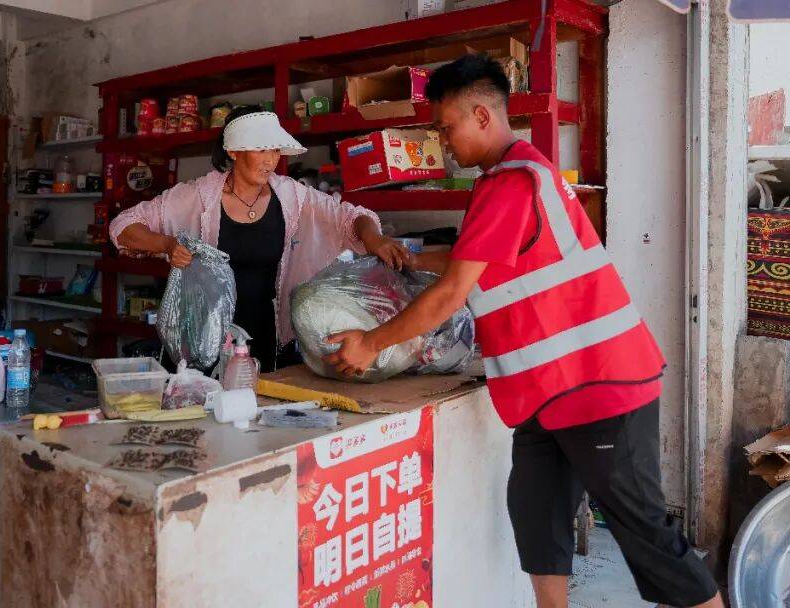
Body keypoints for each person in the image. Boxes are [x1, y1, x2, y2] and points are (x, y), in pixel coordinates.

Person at [324, 55, 722, 608]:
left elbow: (453, 293)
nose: (443, 143)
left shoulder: (513, 184)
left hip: (599, 387)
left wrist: (370, 343)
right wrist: (407, 257)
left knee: (648, 535)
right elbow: (478, 262)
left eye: (446, 128)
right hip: (545, 394)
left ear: (482, 116)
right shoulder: (509, 178)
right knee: (538, 519)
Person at [109, 106, 408, 372]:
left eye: (275, 151)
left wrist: (374, 238)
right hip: (200, 336)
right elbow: (124, 227)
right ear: (234, 152)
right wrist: (167, 245)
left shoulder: (292, 197)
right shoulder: (197, 196)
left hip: (265, 335)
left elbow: (349, 216)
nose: (270, 161)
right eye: (260, 150)